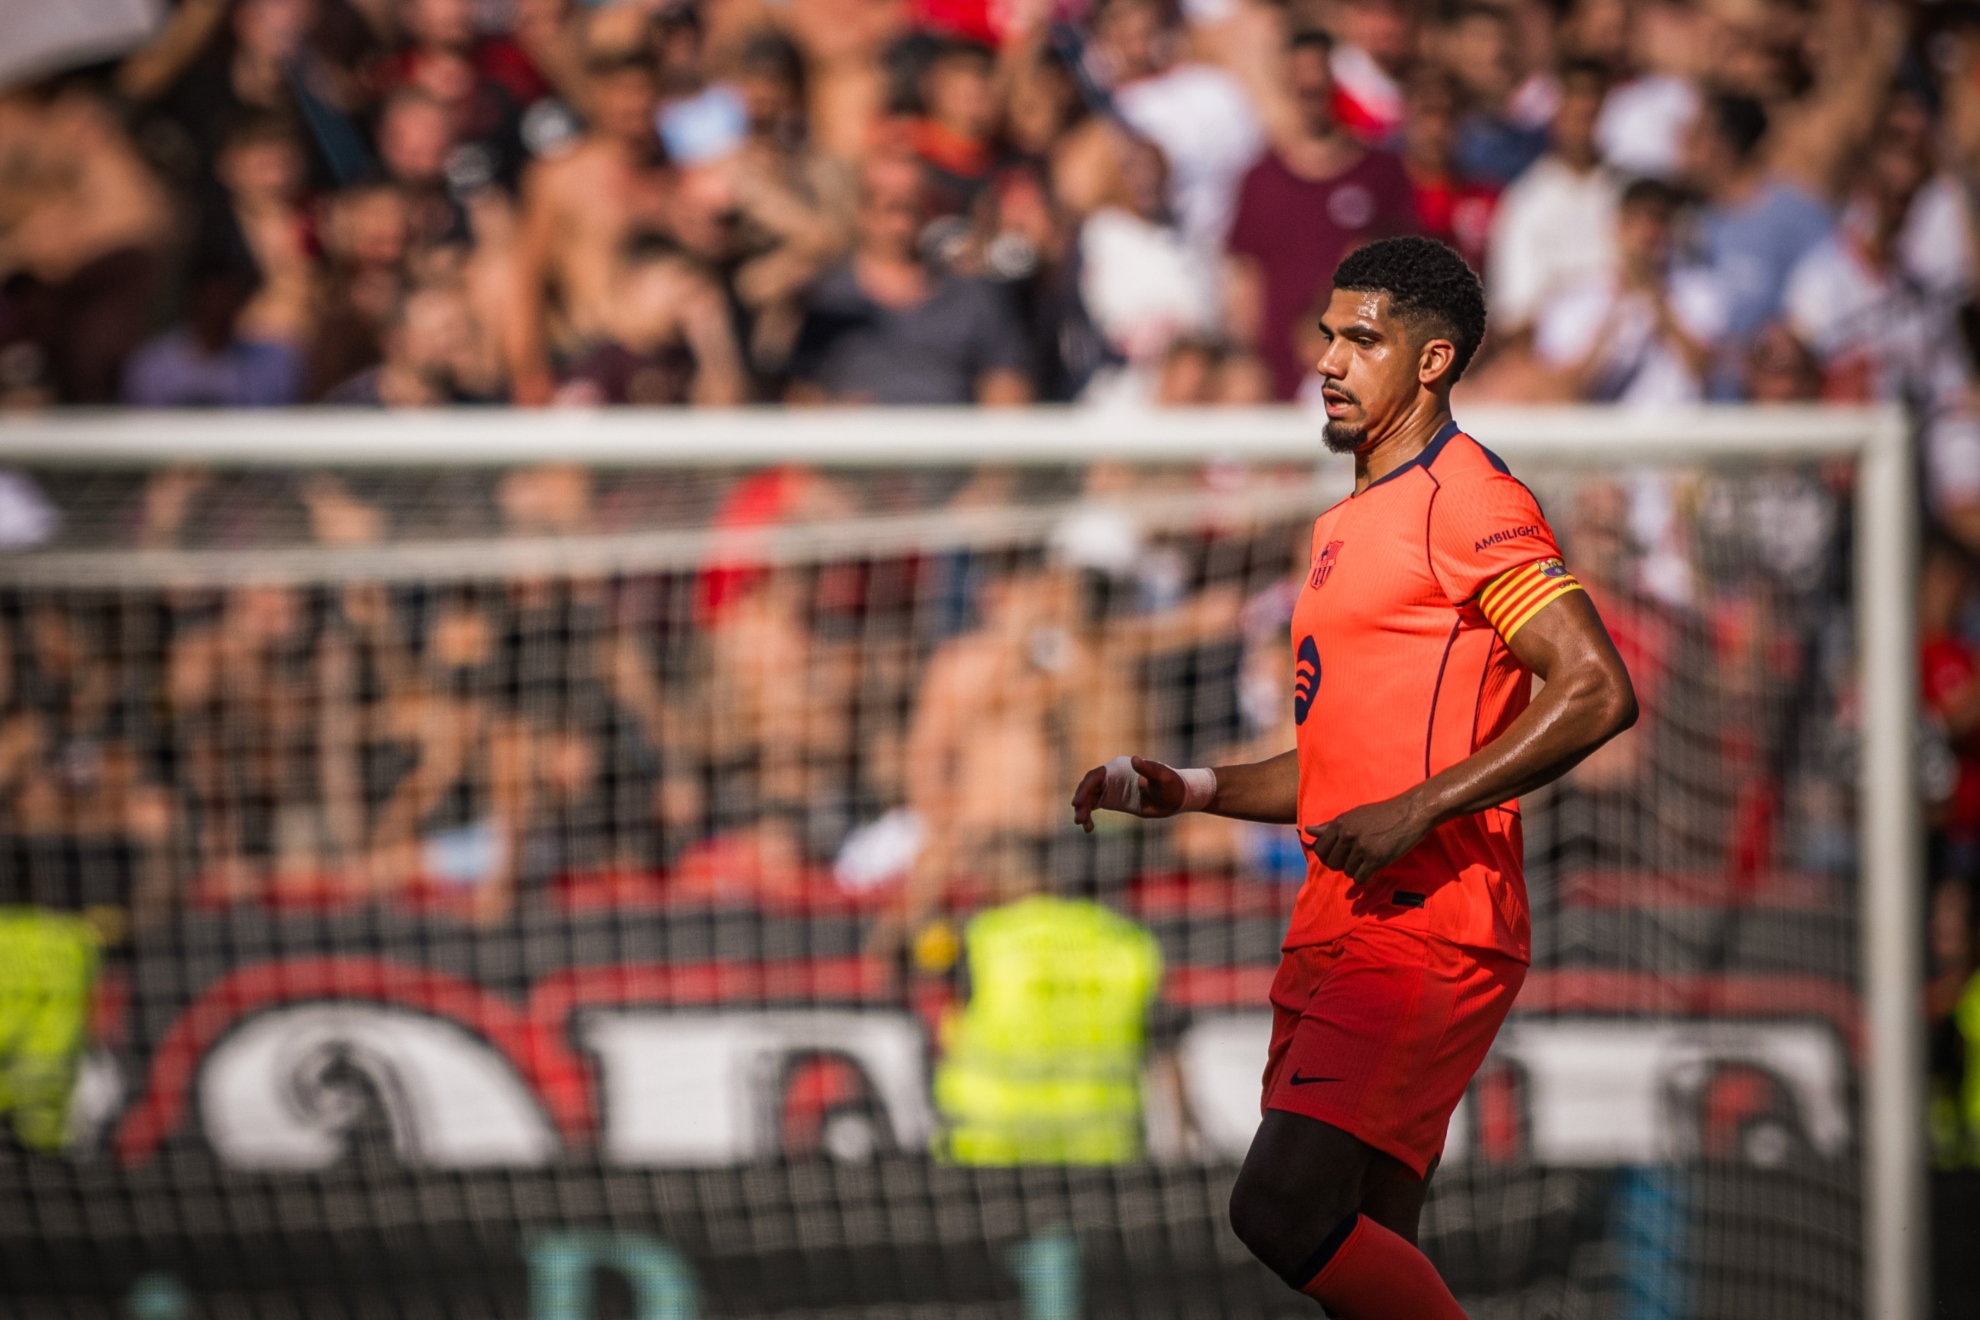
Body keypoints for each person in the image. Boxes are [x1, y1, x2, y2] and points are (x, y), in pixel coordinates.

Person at [1070, 236, 1636, 1317]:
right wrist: (1185, 788)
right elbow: (1340, 766)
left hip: (1426, 916)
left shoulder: (1466, 496)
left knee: (1276, 1211)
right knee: (1367, 1253)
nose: (1330, 360)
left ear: (1431, 361)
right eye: (1329, 335)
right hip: (1344, 908)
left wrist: (1417, 809)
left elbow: (1597, 688)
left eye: (1362, 339)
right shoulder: (1343, 525)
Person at [1225, 30, 1418, 401]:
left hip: (1362, 377)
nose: (1310, 87)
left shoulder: (1381, 172)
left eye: (1319, 77)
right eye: (1300, 80)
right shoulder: (1260, 179)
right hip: (1274, 381)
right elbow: (1244, 282)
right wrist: (1250, 360)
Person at [786, 154, 1033, 404]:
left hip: (951, 437)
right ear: (861, 208)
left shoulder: (974, 297)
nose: (899, 220)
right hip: (857, 439)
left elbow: (1008, 393)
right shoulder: (828, 298)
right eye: (884, 200)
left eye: (910, 201)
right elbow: (801, 398)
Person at [1531, 177, 1723, 405]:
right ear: (1617, 226)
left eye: (1659, 220)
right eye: (1636, 221)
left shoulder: (1699, 290)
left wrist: (1658, 298)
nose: (1648, 233)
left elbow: (1707, 373)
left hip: (1680, 431)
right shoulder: (1576, 298)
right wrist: (1612, 317)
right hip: (1604, 434)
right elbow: (1562, 392)